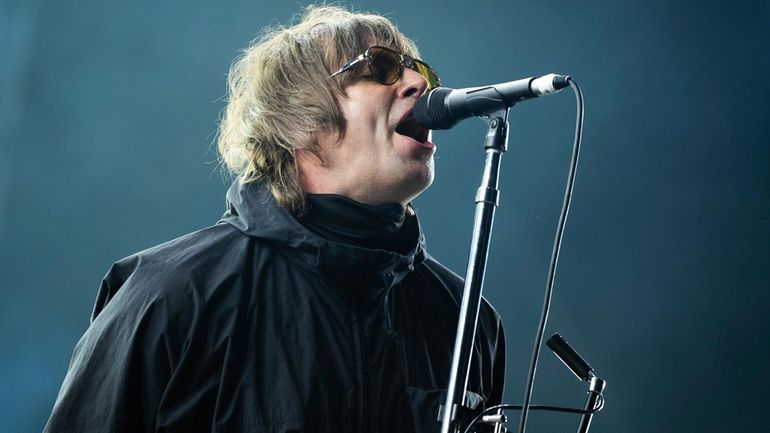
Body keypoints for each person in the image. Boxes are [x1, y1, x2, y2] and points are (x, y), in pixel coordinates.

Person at [44, 5, 505, 433]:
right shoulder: (169, 295)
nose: (419, 83)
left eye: (420, 70)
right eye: (380, 67)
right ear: (299, 119)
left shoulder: (469, 322)